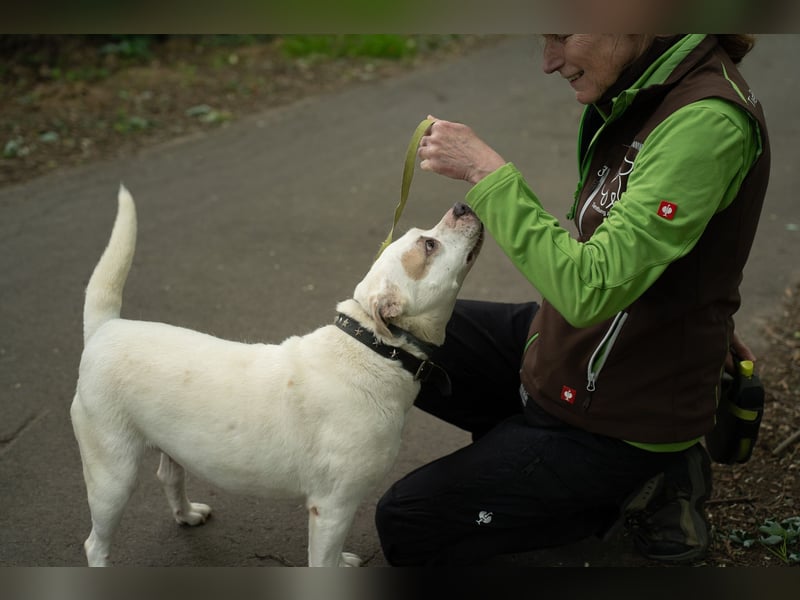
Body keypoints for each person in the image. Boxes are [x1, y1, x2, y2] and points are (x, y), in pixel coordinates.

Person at [374, 34, 770, 565]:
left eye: (561, 36)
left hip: (624, 409)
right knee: (399, 336)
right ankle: (524, 458)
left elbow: (590, 289)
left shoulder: (705, 123)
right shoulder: (643, 87)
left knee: (409, 521)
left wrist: (486, 174)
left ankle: (638, 486)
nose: (548, 61)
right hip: (579, 352)